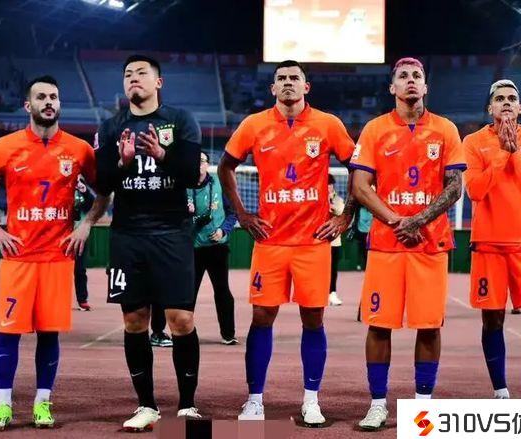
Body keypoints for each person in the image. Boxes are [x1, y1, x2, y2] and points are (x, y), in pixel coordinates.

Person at [64, 54, 203, 431]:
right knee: (134, 320)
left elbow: (191, 174)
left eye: (142, 73)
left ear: (158, 82)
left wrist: (161, 154)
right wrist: (124, 162)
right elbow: (103, 184)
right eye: (128, 74)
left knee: (181, 319)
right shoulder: (111, 127)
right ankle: (147, 406)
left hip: (172, 232)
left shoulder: (181, 120)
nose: (133, 78)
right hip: (128, 235)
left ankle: (187, 406)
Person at [218, 60, 356, 426]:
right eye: (281, 78)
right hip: (271, 241)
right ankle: (254, 400)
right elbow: (225, 166)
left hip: (313, 243)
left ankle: (311, 400)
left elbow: (359, 168)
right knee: (262, 317)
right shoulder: (254, 125)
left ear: (306, 87)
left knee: (313, 318)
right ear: (273, 89)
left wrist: (345, 216)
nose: (288, 83)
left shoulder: (328, 124)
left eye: (295, 78)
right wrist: (243, 215)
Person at [0, 75, 96, 430]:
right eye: (41, 97)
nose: (48, 102)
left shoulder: (79, 149)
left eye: (53, 96)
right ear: (28, 105)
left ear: (59, 104)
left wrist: (86, 224)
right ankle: (3, 405)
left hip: (57, 258)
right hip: (18, 257)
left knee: (49, 334)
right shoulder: (6, 146)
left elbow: (106, 191)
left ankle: (42, 404)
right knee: (9, 332)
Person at [350, 57, 466, 430]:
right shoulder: (374, 129)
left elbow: (455, 187)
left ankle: (423, 408)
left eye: (417, 75)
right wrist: (399, 221)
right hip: (387, 244)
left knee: (429, 325)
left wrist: (419, 220)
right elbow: (360, 187)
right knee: (379, 324)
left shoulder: (445, 129)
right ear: (392, 88)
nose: (411, 80)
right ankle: (377, 404)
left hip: (430, 244)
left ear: (425, 86)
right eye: (403, 76)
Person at [463, 79, 521, 400]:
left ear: (519, 107)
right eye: (499, 98)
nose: (506, 102)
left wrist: (514, 154)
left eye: (511, 98)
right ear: (490, 107)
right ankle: (501, 391)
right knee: (493, 319)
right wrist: (503, 154)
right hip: (488, 246)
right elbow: (475, 190)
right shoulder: (473, 142)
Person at [189, 151, 238, 344]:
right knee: (188, 292)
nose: (198, 164)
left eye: (202, 161)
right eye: (195, 160)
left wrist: (223, 231)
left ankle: (228, 334)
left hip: (217, 247)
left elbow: (232, 213)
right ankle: (183, 332)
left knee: (222, 290)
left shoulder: (219, 183)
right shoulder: (183, 185)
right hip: (192, 247)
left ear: (207, 165)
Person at [73, 174, 94, 311]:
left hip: (78, 235)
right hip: (58, 235)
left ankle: (82, 299)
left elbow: (93, 205)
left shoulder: (82, 187)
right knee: (58, 271)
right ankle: (56, 300)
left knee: (80, 269)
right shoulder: (58, 186)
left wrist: (84, 190)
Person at [328, 174, 345, 306]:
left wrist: (330, 205)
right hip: (318, 242)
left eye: (330, 184)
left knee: (333, 269)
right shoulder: (316, 198)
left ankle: (332, 293)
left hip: (334, 241)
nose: (328, 187)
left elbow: (341, 212)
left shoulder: (338, 199)